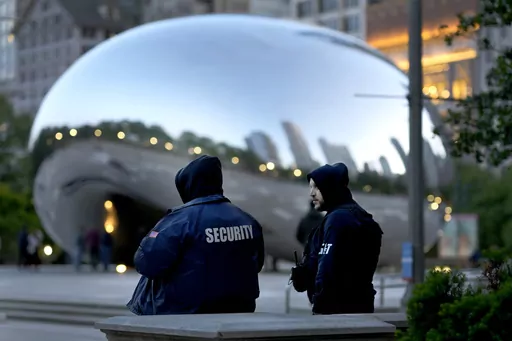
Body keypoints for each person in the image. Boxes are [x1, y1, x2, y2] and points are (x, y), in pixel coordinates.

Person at [127, 155, 265, 315]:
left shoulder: (178, 221)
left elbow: (146, 263)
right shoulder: (248, 220)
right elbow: (257, 264)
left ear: (189, 185)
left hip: (184, 312)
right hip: (240, 309)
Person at [290, 162, 383, 315]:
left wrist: (319, 305)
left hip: (336, 311)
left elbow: (328, 270)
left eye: (317, 187)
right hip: (359, 307)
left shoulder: (338, 219)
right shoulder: (355, 215)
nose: (312, 193)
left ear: (330, 188)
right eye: (311, 187)